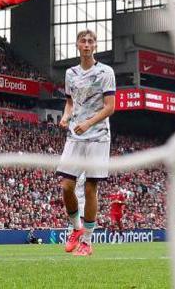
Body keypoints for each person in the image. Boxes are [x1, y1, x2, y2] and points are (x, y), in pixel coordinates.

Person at [56, 30, 115, 257]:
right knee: (66, 186)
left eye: (91, 41)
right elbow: (70, 103)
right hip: (75, 135)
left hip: (98, 135)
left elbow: (110, 106)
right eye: (83, 41)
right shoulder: (70, 73)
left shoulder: (105, 72)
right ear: (77, 45)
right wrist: (65, 116)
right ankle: (77, 229)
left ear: (95, 46)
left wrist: (89, 123)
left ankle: (88, 242)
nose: (87, 44)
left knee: (91, 188)